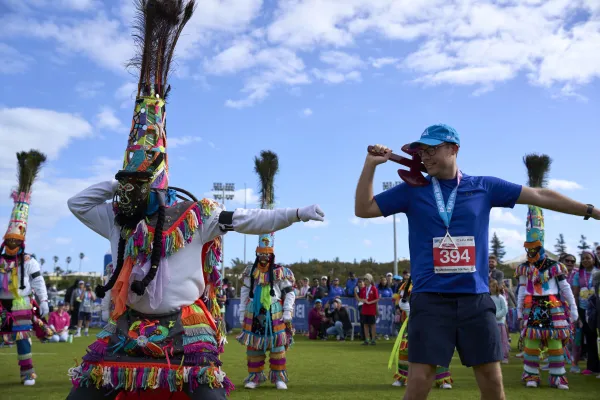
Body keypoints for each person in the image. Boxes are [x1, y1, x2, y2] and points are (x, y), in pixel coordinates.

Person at [64, 3, 325, 398]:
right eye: (129, 185)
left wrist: (295, 214)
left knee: (208, 393)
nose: (133, 192)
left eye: (140, 184)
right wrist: (115, 183)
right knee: (85, 391)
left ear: (160, 186)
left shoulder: (194, 217)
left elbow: (249, 219)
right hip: (127, 326)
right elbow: (77, 205)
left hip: (185, 327)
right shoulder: (117, 219)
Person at [355, 124, 600, 400]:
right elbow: (364, 209)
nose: (425, 156)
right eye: (421, 151)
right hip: (429, 301)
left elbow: (540, 195)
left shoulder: (484, 186)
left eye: (432, 149)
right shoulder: (412, 190)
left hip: (475, 300)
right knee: (418, 382)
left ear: (454, 149)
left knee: (493, 385)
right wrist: (370, 166)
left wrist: (592, 211)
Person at [237, 151, 296, 390]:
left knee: (277, 344)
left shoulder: (282, 272)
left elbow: (290, 292)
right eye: (260, 254)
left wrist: (288, 311)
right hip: (255, 310)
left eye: (267, 255)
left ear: (272, 255)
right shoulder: (249, 272)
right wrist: (242, 310)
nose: (263, 257)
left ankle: (279, 376)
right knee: (255, 345)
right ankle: (254, 377)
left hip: (275, 310)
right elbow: (244, 291)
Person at [515, 190, 578, 389]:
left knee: (555, 343)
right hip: (533, 306)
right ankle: (531, 376)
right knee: (531, 343)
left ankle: (558, 377)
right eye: (528, 248)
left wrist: (574, 308)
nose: (531, 252)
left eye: (534, 248)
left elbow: (565, 287)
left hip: (553, 306)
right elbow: (523, 290)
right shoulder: (525, 268)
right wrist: (518, 309)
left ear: (541, 246)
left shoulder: (554, 266)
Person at [0, 150, 49, 386]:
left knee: (22, 339)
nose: (12, 243)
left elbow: (38, 282)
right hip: (0, 302)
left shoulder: (29, 261)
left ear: (21, 242)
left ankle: (27, 373)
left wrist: (45, 301)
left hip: (21, 302)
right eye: (9, 240)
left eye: (15, 241)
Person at [390, 277, 453, 389]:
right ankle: (403, 378)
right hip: (412, 321)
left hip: (433, 319)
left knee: (437, 349)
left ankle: (442, 380)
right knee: (405, 349)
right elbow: (401, 298)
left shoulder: (437, 281)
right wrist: (404, 305)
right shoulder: (408, 284)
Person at [571, 250, 600, 375]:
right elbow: (575, 294)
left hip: (598, 307)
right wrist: (576, 311)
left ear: (594, 259)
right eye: (583, 259)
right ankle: (592, 367)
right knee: (590, 337)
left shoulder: (598, 272)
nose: (585, 260)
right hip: (584, 309)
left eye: (588, 258)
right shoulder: (578, 274)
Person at [489, 279, 509, 364]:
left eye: (493, 286)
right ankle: (493, 356)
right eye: (490, 286)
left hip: (500, 322)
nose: (491, 288)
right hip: (491, 323)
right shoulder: (488, 298)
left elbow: (505, 309)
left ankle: (504, 356)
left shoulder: (500, 297)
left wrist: (496, 316)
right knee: (492, 340)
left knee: (503, 340)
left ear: (497, 287)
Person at [359, 273, 379, 345]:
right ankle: (367, 339)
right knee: (365, 325)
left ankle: (373, 339)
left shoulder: (374, 288)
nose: (365, 281)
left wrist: (370, 302)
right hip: (365, 309)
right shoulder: (363, 289)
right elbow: (361, 298)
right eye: (364, 279)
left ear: (370, 280)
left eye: (367, 279)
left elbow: (377, 299)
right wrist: (363, 300)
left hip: (371, 309)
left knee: (372, 324)